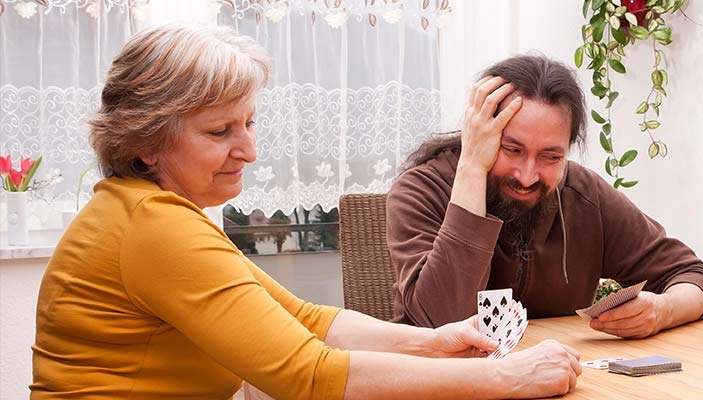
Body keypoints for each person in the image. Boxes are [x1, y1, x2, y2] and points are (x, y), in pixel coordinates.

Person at [30, 25, 581, 399]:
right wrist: (502, 379)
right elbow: (305, 373)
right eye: (220, 131)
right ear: (146, 142)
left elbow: (307, 320)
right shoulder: (152, 228)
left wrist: (432, 342)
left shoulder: (151, 213)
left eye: (249, 124)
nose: (248, 150)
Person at [386, 54, 703, 339]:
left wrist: (662, 310)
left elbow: (696, 279)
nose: (528, 175)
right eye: (511, 149)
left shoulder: (582, 195)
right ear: (478, 133)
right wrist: (473, 166)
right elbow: (441, 322)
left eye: (551, 156)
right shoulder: (421, 190)